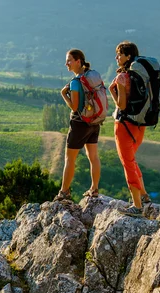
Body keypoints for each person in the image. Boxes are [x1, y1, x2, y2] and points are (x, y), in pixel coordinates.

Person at [109, 41, 151, 217]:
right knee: (132, 160)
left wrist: (113, 92)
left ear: (128, 56)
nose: (117, 57)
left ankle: (137, 206)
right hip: (140, 124)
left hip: (124, 125)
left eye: (119, 54)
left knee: (127, 163)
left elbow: (122, 105)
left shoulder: (122, 78)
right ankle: (144, 195)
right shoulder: (141, 74)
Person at [54, 49, 101, 201]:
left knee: (69, 158)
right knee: (93, 157)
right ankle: (94, 189)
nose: (66, 63)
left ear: (78, 61)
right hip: (94, 121)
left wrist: (63, 95)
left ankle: (64, 192)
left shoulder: (75, 82)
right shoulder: (91, 76)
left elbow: (74, 107)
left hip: (79, 123)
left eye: (69, 60)